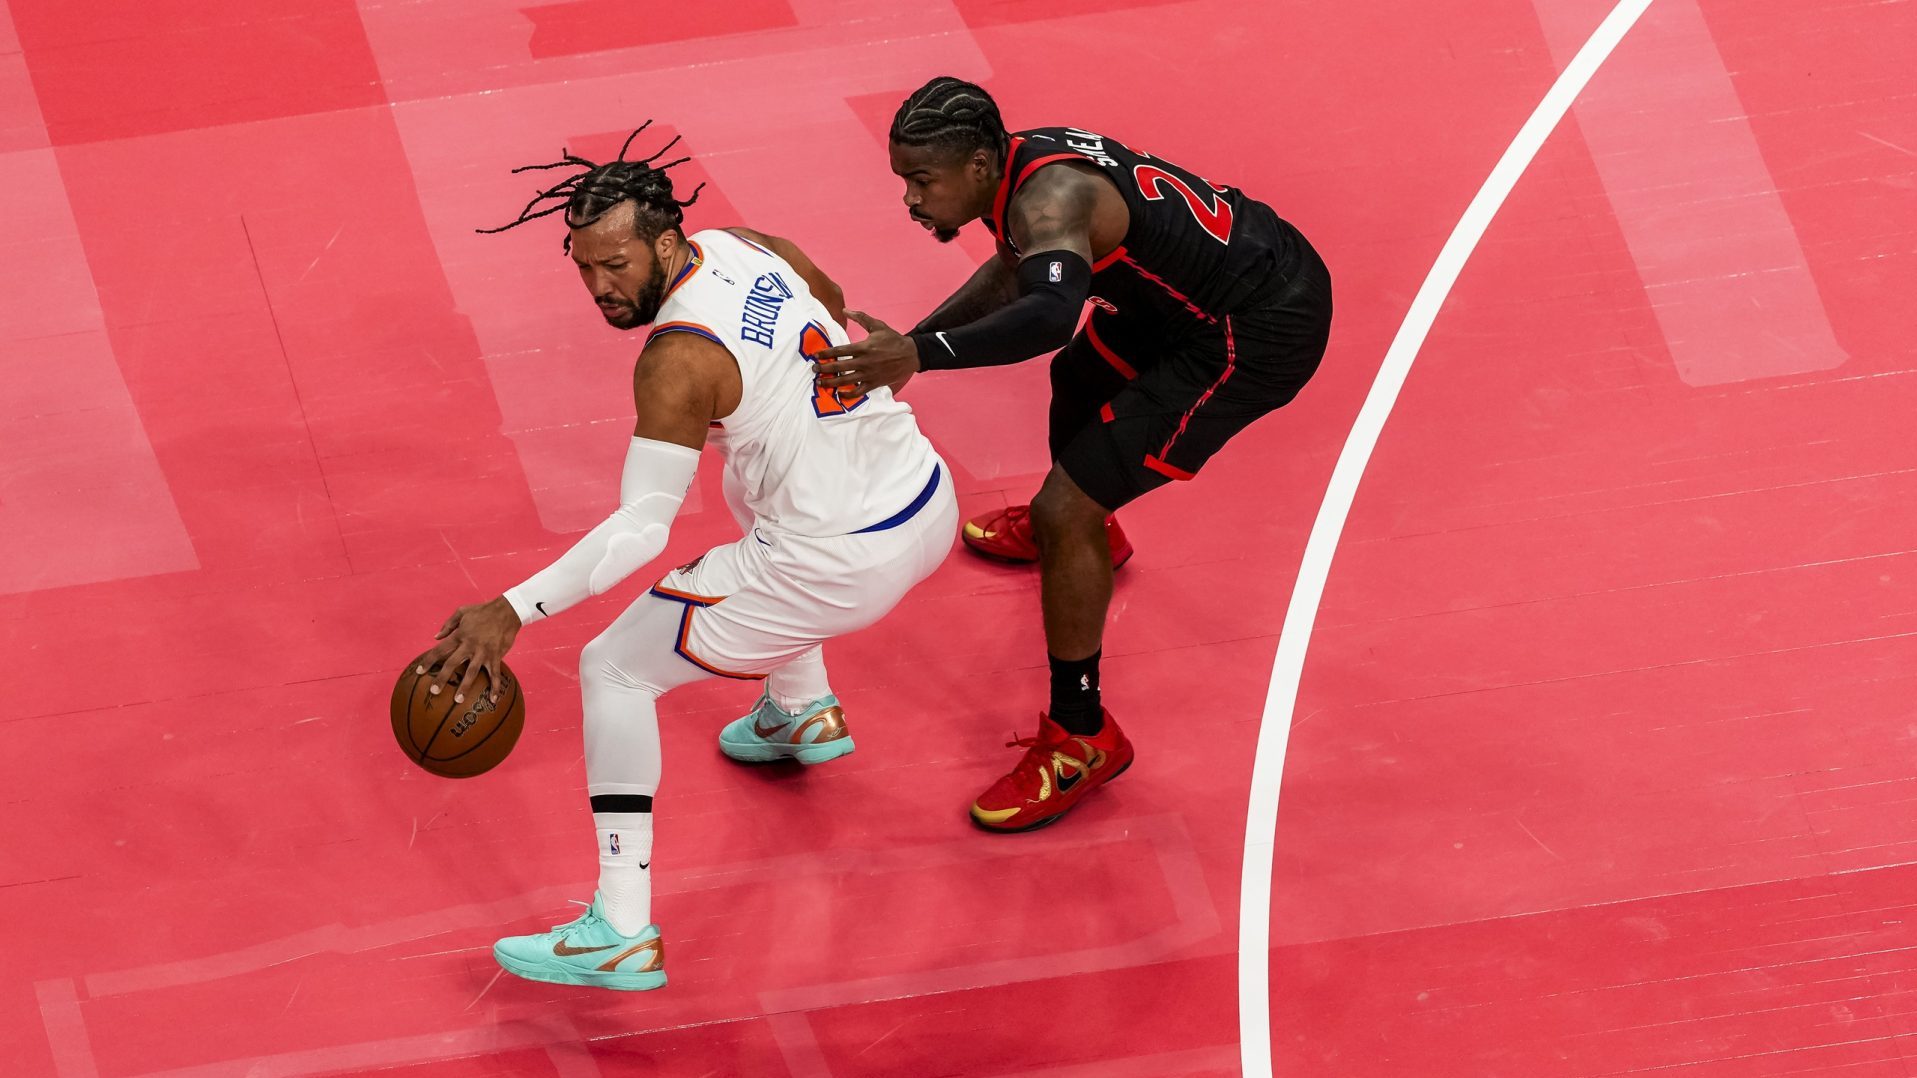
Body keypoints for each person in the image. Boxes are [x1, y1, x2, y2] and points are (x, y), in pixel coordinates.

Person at [417, 126, 956, 991]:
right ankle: (800, 710)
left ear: (665, 242)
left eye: (617, 265)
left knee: (612, 671)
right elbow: (832, 300)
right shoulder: (748, 244)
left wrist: (510, 610)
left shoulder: (676, 359)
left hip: (836, 565)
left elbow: (640, 529)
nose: (600, 287)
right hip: (924, 496)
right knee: (748, 473)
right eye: (584, 266)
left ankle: (620, 928)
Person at [813, 78, 1333, 833]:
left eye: (921, 181)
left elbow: (1050, 316)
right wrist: (905, 353)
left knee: (1066, 504)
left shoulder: (1052, 201)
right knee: (1081, 378)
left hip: (1251, 330)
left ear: (981, 167)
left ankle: (1082, 735)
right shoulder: (1026, 167)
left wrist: (918, 354)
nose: (910, 199)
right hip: (1196, 293)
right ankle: (1089, 538)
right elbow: (1013, 271)